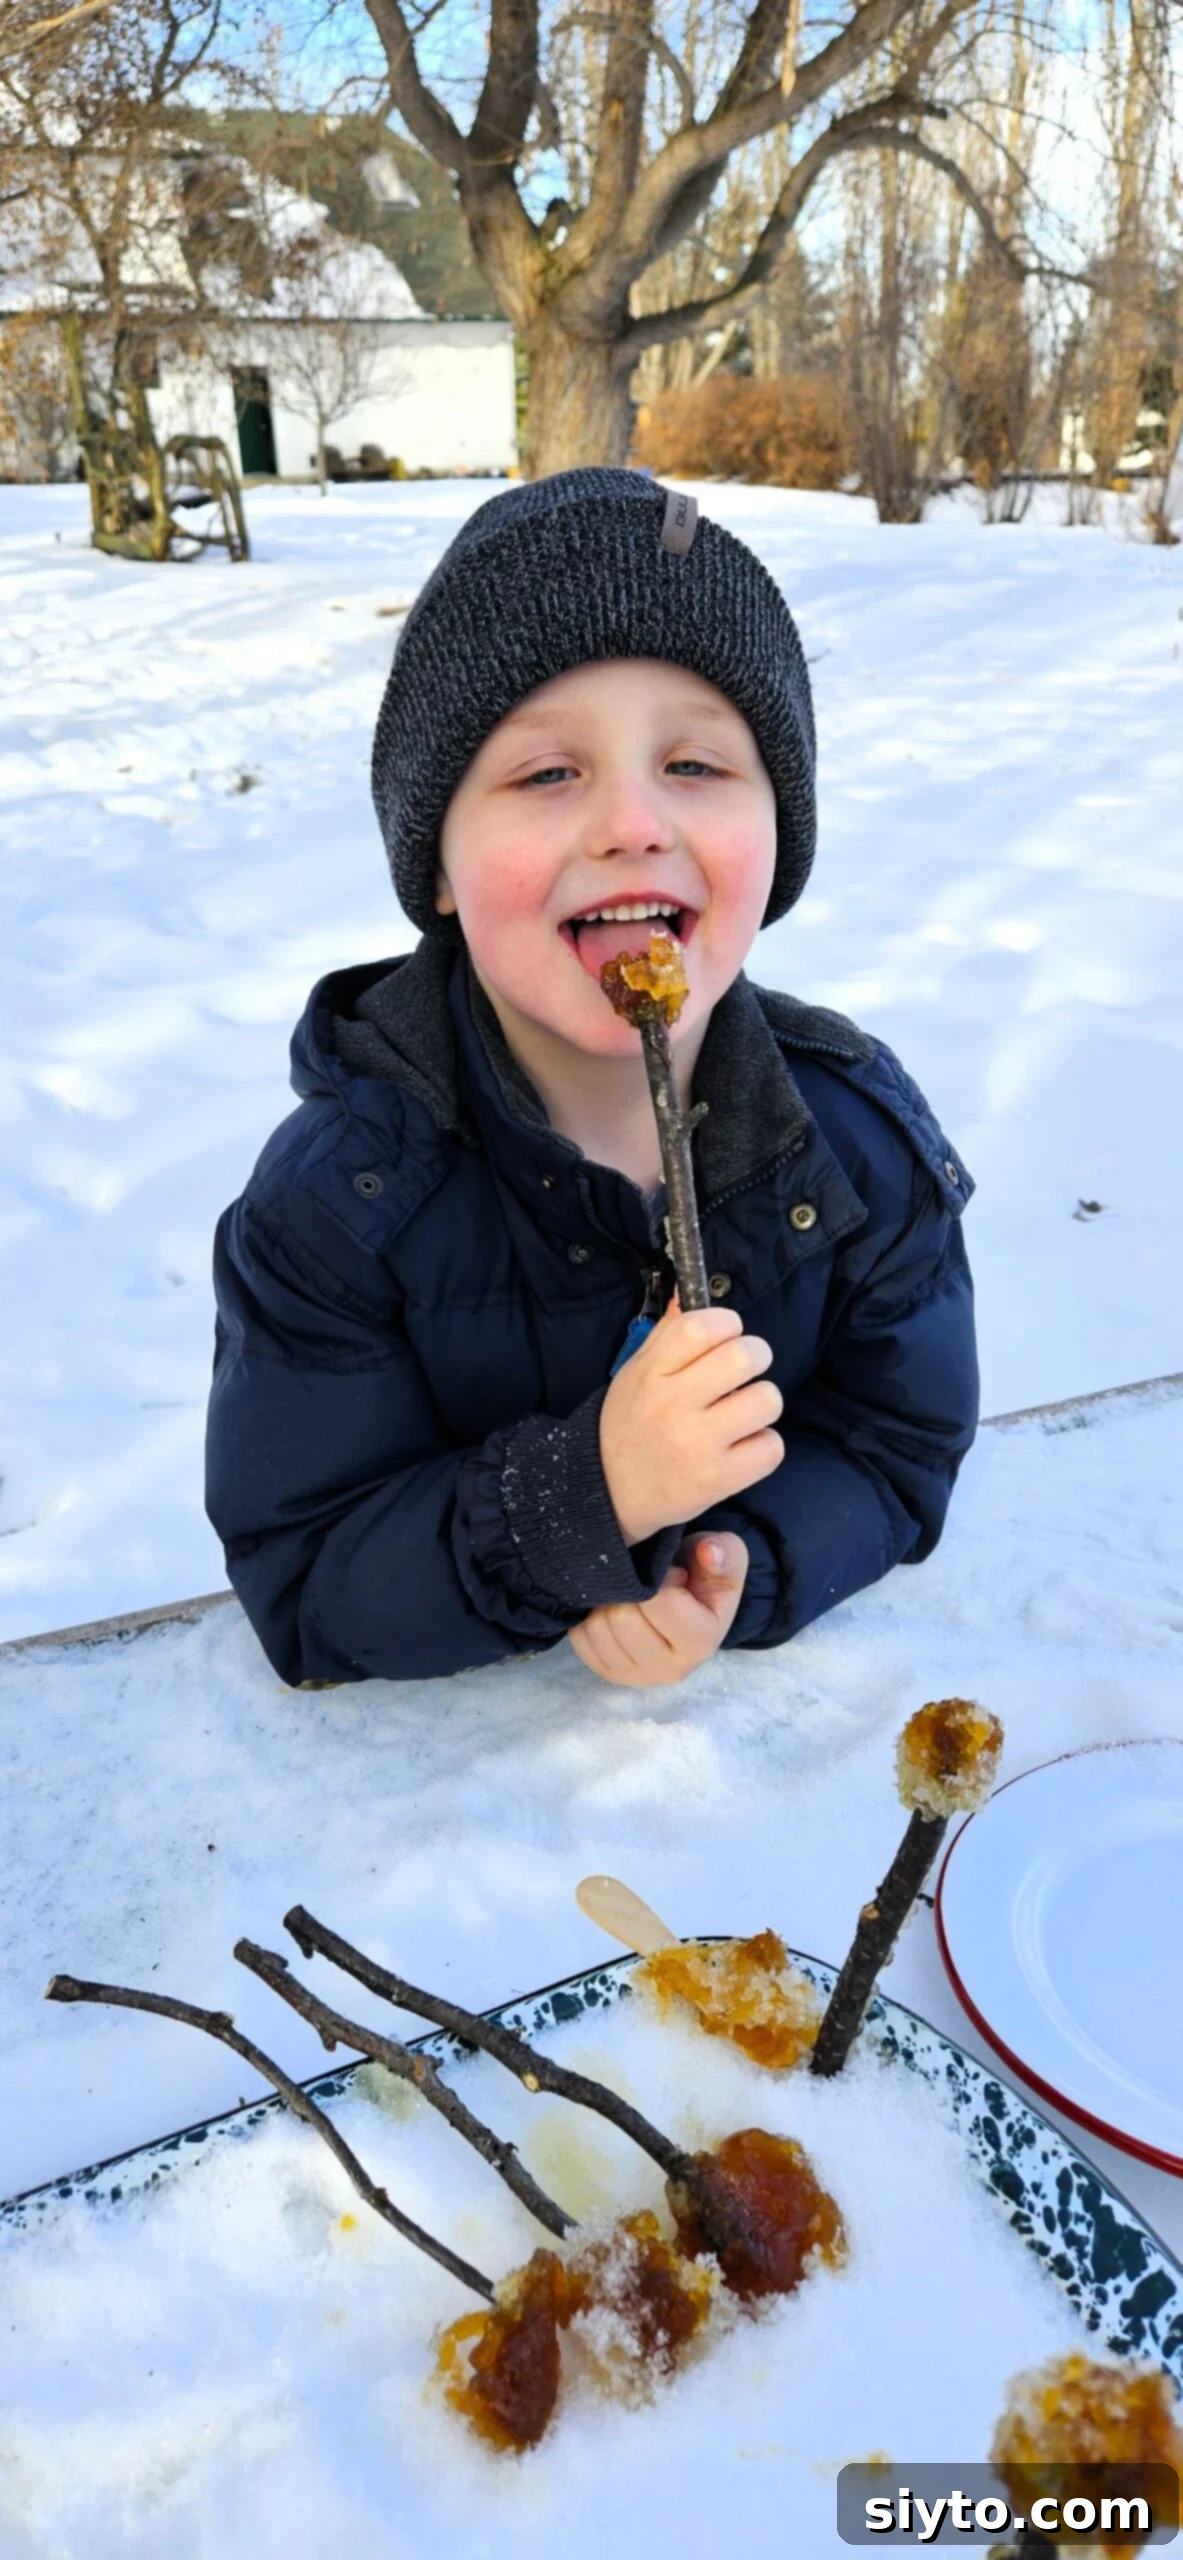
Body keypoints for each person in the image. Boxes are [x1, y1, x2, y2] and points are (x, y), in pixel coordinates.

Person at [206, 469, 978, 1690]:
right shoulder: (340, 1211)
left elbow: (897, 1443)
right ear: (440, 868)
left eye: (696, 765)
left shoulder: (854, 1151)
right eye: (547, 774)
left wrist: (739, 1567)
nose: (631, 821)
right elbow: (306, 1580)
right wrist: (585, 1498)